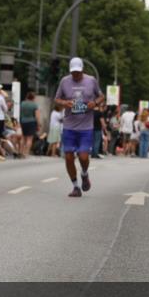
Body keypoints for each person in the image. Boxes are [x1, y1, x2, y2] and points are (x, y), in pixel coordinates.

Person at [54, 57, 104, 197]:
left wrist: (94, 102)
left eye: (78, 72)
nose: (75, 75)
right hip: (69, 126)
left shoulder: (91, 80)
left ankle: (84, 174)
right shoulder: (64, 81)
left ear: (82, 70)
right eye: (73, 72)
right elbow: (56, 99)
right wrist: (65, 103)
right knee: (69, 157)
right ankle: (76, 186)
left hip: (86, 127)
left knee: (83, 157)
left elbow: (101, 96)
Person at [20, 91, 41, 157]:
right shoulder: (34, 105)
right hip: (31, 122)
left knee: (23, 137)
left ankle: (21, 151)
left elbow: (21, 113)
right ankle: (26, 153)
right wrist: (38, 124)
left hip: (23, 121)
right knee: (29, 138)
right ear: (33, 97)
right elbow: (37, 116)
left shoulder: (22, 103)